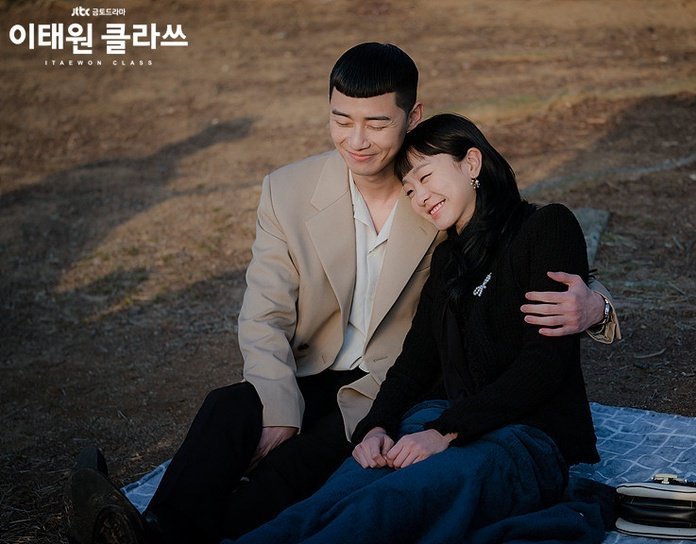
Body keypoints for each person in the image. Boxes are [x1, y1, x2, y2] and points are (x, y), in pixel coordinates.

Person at [65, 43, 618, 544]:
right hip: (319, 375)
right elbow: (265, 313)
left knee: (304, 477)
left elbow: (515, 249)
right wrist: (280, 410)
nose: (357, 140)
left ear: (412, 118)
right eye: (341, 119)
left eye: (377, 123)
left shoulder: (441, 205)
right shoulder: (291, 191)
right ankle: (151, 530)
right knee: (228, 409)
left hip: (385, 388)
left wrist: (598, 306)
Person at [227, 112, 601, 544]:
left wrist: (445, 431)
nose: (420, 197)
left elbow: (542, 367)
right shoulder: (446, 260)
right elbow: (414, 360)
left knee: (383, 507)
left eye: (425, 177)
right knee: (326, 502)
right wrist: (377, 427)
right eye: (409, 189)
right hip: (436, 419)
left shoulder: (547, 227)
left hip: (525, 436)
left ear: (471, 162)